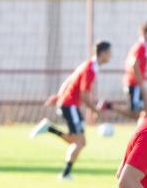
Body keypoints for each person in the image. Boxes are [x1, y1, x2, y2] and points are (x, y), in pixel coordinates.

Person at [28, 41, 113, 180]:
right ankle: (50, 129)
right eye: (109, 53)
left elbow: (69, 81)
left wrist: (59, 95)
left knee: (80, 142)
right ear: (102, 53)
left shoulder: (89, 66)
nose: (111, 56)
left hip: (68, 104)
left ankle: (66, 173)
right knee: (78, 141)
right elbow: (84, 95)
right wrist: (95, 111)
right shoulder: (90, 69)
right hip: (70, 105)